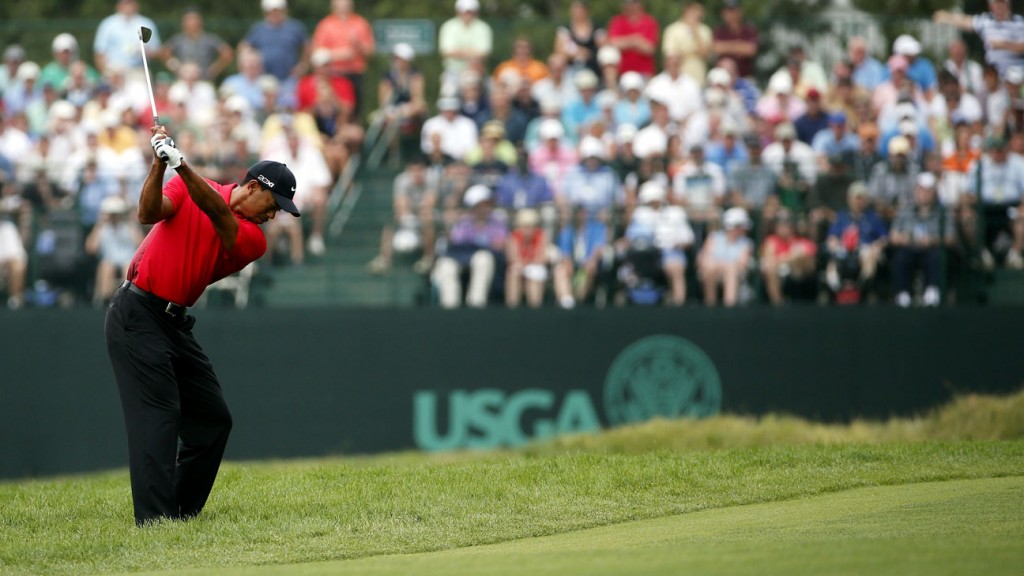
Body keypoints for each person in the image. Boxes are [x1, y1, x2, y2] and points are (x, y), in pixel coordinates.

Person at [104, 125, 300, 526]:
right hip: (136, 313)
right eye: (273, 204)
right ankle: (156, 521)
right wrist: (160, 165)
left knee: (213, 420)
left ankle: (179, 511)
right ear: (252, 187)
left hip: (174, 324)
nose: (273, 215)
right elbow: (147, 213)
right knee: (159, 414)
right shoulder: (187, 185)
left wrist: (181, 165)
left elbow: (218, 215)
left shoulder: (253, 238)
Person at [431, 184, 507, 308]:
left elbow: (499, 244)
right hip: (461, 256)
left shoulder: (497, 222)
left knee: (483, 258)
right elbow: (456, 241)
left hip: (485, 258)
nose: (484, 208)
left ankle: (476, 305)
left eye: (487, 204)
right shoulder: (463, 222)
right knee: (446, 265)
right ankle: (450, 308)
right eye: (480, 205)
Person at [889, 172, 955, 307]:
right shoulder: (906, 210)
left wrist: (932, 240)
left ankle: (932, 293)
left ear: (934, 193)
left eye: (927, 191)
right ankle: (903, 295)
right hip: (909, 248)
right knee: (900, 258)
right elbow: (893, 235)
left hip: (932, 249)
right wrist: (904, 238)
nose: (923, 194)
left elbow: (951, 238)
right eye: (920, 190)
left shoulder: (944, 211)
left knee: (937, 257)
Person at [368, 154, 439, 274]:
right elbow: (400, 205)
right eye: (413, 170)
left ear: (425, 170)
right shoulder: (401, 179)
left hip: (430, 215)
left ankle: (428, 258)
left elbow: (430, 204)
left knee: (427, 218)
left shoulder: (432, 178)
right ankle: (384, 259)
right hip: (411, 213)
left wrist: (415, 211)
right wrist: (408, 214)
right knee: (390, 222)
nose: (417, 173)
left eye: (420, 169)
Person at [824, 181, 888, 304]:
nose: (859, 202)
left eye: (862, 198)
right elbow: (832, 236)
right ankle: (837, 289)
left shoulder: (874, 217)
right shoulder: (842, 217)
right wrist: (834, 243)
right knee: (833, 260)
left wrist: (877, 245)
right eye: (856, 198)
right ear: (849, 199)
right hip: (844, 249)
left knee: (868, 255)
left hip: (866, 248)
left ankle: (861, 288)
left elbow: (884, 238)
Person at [239, 0, 310, 108]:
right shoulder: (258, 29)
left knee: (288, 107)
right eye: (272, 11)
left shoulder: (294, 27)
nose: (275, 14)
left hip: (288, 79)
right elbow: (244, 47)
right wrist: (249, 65)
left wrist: (303, 65)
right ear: (266, 12)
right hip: (264, 78)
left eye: (277, 11)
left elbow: (307, 46)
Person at [310, 0, 375, 115]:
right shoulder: (326, 25)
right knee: (334, 110)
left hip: (355, 73)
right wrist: (339, 55)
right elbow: (316, 51)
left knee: (354, 110)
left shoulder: (360, 23)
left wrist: (358, 46)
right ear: (333, 5)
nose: (343, 5)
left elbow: (370, 51)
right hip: (333, 75)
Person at [934, 0, 1024, 77]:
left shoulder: (1019, 22)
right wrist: (945, 17)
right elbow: (966, 21)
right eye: (996, 4)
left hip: (1016, 73)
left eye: (1002, 4)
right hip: (994, 75)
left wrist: (1004, 45)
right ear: (991, 6)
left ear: (1008, 5)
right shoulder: (986, 21)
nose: (999, 7)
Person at [85, 195, 143, 306]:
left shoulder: (129, 227)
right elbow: (91, 249)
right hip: (108, 261)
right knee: (106, 266)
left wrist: (132, 225)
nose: (114, 217)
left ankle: (129, 299)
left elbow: (140, 245)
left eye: (116, 214)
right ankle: (105, 300)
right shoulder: (101, 228)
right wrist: (98, 226)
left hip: (127, 260)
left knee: (128, 267)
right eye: (111, 214)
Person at [759, 209, 818, 306]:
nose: (783, 228)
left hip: (799, 273)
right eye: (780, 225)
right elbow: (769, 260)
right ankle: (778, 305)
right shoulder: (771, 241)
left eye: (786, 225)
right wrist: (789, 257)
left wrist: (785, 258)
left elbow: (808, 254)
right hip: (779, 272)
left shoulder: (799, 240)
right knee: (770, 269)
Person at [697, 206, 753, 307]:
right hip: (712, 271)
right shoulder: (714, 237)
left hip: (734, 273)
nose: (743, 229)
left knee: (731, 270)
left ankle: (729, 307)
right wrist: (721, 266)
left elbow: (742, 264)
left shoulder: (746, 243)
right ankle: (710, 305)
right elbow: (702, 258)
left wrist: (722, 265)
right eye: (740, 226)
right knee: (710, 267)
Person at [161, 8, 234, 82]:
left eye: (194, 19)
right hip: (183, 81)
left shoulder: (209, 39)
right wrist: (175, 67)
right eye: (188, 20)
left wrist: (214, 70)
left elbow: (227, 53)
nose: (191, 22)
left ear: (200, 21)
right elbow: (164, 53)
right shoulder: (178, 39)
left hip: (203, 80)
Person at [93, 0, 161, 76]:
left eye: (130, 3)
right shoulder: (108, 24)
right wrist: (106, 74)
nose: (128, 7)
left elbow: (157, 50)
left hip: (137, 70)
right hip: (113, 70)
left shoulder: (146, 23)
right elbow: (99, 52)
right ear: (118, 5)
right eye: (125, 3)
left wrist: (145, 51)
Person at [438, 0, 493, 95]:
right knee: (448, 94)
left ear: (476, 13)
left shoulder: (483, 28)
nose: (467, 15)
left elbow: (484, 53)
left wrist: (458, 52)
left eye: (470, 12)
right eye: (464, 12)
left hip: (477, 71)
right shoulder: (448, 26)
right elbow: (446, 52)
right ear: (458, 12)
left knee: (490, 90)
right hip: (453, 71)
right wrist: (472, 53)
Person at [505, 208, 554, 308]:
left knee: (534, 273)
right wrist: (526, 263)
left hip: (535, 267)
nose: (528, 230)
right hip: (522, 267)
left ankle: (534, 307)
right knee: (513, 272)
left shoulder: (541, 235)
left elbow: (543, 258)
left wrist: (527, 262)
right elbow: (513, 258)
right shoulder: (514, 237)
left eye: (531, 226)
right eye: (525, 226)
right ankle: (512, 305)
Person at [662, 2, 713, 86]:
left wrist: (695, 32)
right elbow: (671, 57)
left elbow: (706, 54)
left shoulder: (705, 30)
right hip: (678, 80)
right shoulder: (672, 29)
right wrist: (694, 52)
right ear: (686, 11)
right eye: (694, 11)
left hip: (699, 78)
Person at [606, 0, 659, 77]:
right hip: (622, 73)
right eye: (628, 3)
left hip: (644, 73)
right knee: (607, 52)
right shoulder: (617, 21)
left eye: (634, 2)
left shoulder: (649, 22)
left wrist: (625, 43)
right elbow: (613, 43)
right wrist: (636, 40)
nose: (631, 6)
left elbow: (649, 49)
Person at [555, 0, 606, 77]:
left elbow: (604, 44)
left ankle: (608, 80)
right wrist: (578, 52)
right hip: (572, 66)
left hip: (594, 64)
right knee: (557, 59)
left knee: (608, 53)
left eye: (581, 9)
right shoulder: (565, 30)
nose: (578, 12)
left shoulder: (597, 28)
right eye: (576, 9)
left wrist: (590, 52)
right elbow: (559, 50)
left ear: (587, 11)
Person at [712, 0, 758, 81]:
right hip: (723, 78)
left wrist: (727, 47)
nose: (731, 15)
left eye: (734, 11)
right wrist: (739, 46)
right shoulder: (719, 31)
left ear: (740, 12)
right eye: (729, 11)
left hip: (744, 76)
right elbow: (717, 48)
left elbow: (751, 50)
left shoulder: (749, 30)